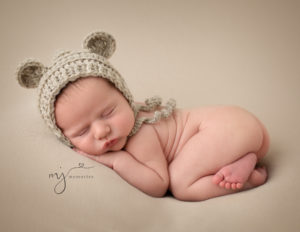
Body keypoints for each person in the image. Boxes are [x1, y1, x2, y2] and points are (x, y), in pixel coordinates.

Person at [16, 31, 269, 201]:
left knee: (181, 185)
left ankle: (250, 177)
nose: (102, 131)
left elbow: (159, 184)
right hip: (238, 126)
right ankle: (242, 157)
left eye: (108, 112)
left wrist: (117, 162)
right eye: (82, 132)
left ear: (125, 97)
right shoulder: (121, 122)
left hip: (225, 128)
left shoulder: (141, 131)